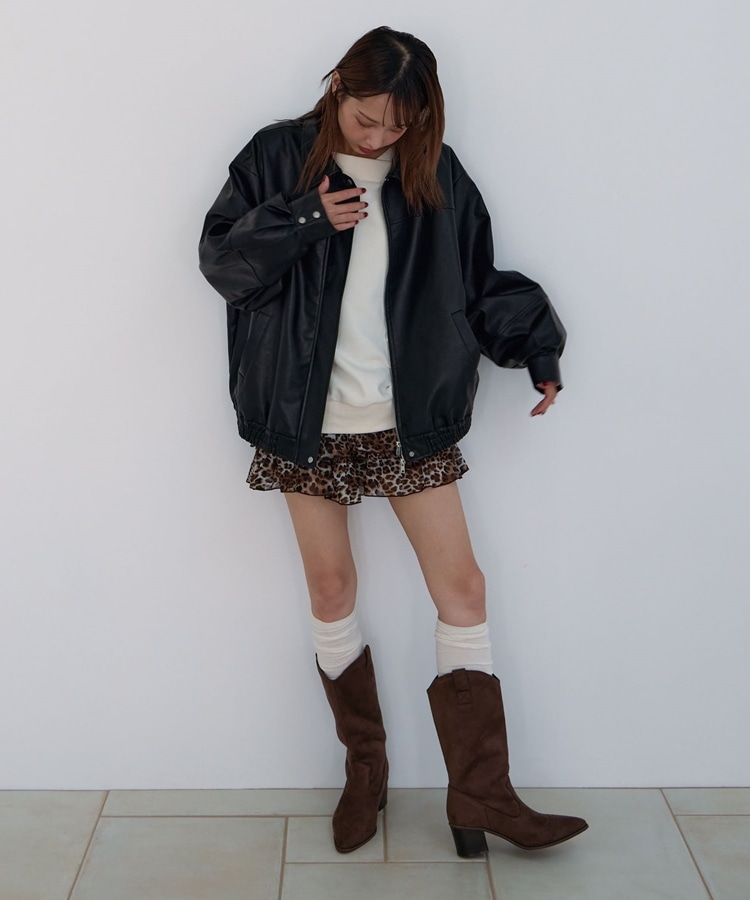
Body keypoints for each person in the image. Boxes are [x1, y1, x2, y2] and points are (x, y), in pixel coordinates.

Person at [199, 25, 588, 858]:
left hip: (407, 420)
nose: (379, 138)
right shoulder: (277, 158)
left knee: (464, 590)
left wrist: (537, 347)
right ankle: (366, 770)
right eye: (367, 119)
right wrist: (304, 219)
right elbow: (224, 266)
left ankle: (480, 794)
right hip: (305, 420)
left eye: (399, 124)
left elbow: (477, 280)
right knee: (332, 588)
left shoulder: (434, 172)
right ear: (338, 86)